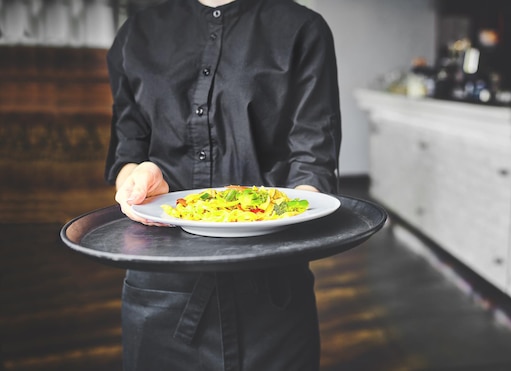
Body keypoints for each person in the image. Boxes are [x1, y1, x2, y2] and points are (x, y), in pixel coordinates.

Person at [104, 0, 341, 370]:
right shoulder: (137, 32)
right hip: (161, 281)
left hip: (272, 281)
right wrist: (134, 181)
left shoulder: (303, 28)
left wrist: (289, 209)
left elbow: (313, 161)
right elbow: (127, 148)